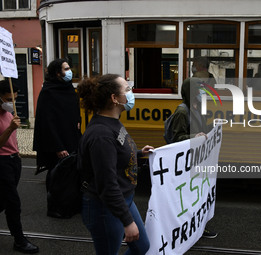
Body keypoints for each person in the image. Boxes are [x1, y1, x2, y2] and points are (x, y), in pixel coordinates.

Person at [77, 74, 153, 255]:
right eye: (127, 89)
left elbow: (115, 156)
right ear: (114, 98)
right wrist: (128, 221)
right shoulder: (101, 135)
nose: (131, 93)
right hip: (105, 207)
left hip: (123, 199)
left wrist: (139, 154)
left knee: (142, 247)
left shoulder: (112, 123)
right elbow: (107, 183)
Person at [33, 58, 82, 218]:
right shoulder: (48, 91)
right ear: (57, 73)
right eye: (66, 69)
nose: (70, 71)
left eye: (69, 68)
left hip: (72, 137)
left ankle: (71, 205)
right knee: (56, 175)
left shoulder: (68, 88)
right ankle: (55, 208)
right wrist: (58, 147)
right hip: (58, 142)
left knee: (71, 174)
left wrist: (78, 123)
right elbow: (47, 122)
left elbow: (74, 109)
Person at [170, 77, 218, 239]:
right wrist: (194, 136)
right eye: (198, 91)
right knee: (190, 197)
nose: (201, 93)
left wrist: (213, 127)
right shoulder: (182, 112)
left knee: (198, 196)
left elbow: (201, 129)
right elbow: (176, 138)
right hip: (188, 161)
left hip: (198, 158)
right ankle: (191, 227)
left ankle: (198, 226)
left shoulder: (196, 108)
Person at [0, 80, 39, 253]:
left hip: (14, 160)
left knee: (3, 200)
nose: (12, 103)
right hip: (2, 162)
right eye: (8, 99)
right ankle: (19, 240)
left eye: (14, 98)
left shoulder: (9, 112)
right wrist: (9, 129)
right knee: (13, 203)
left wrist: (17, 153)